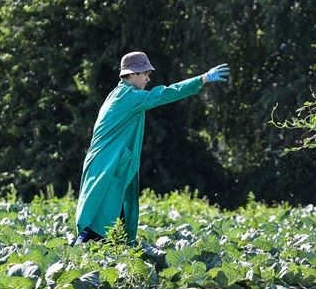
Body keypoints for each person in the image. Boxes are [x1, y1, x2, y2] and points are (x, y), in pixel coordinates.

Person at [74, 52, 230, 245]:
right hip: (108, 165)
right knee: (99, 222)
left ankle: (106, 263)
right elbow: (165, 93)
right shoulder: (129, 97)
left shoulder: (117, 93)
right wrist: (203, 78)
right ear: (130, 75)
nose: (148, 78)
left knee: (113, 220)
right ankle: (77, 258)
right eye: (144, 73)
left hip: (107, 163)